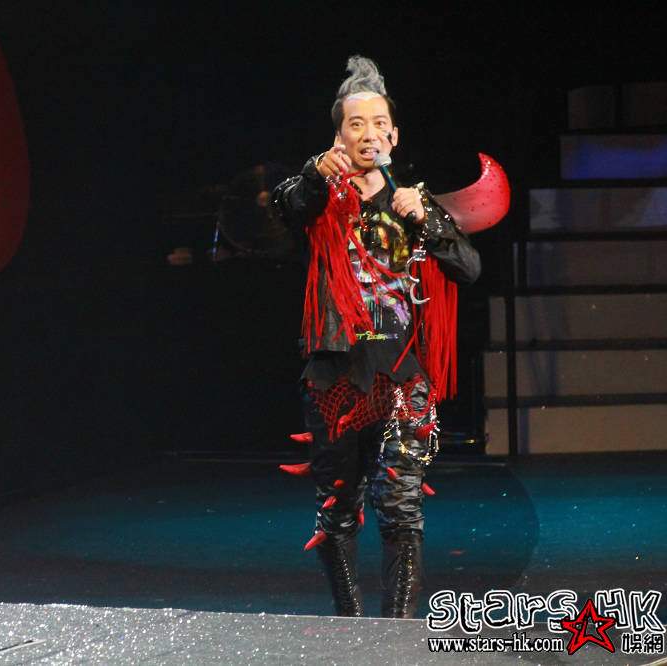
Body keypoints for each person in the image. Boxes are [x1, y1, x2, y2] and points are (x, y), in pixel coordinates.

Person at [271, 56, 481, 618]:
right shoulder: (317, 196)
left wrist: (427, 220)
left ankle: (398, 631)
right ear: (339, 136)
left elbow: (469, 268)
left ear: (394, 135)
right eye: (355, 124)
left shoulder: (414, 202)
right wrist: (317, 172)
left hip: (404, 371)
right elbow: (287, 203)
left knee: (401, 503)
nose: (368, 133)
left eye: (378, 123)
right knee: (339, 505)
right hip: (337, 372)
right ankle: (350, 623)